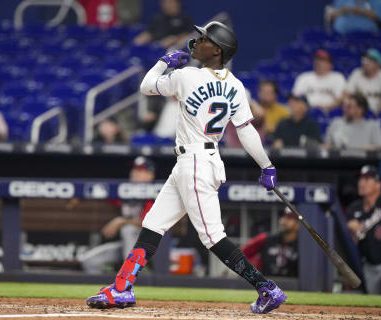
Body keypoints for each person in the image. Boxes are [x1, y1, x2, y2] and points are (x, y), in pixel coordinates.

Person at [86, 21, 286, 314]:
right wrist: (266, 165)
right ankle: (122, 288)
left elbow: (146, 85)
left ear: (217, 50)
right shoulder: (235, 85)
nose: (197, 40)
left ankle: (266, 287)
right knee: (153, 223)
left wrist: (163, 61)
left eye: (204, 38)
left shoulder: (187, 76)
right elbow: (246, 132)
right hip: (197, 161)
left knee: (212, 236)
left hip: (195, 163)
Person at [79, 156, 155, 274]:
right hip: (128, 246)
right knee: (90, 261)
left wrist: (121, 221)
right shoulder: (124, 192)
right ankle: (112, 288)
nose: (135, 173)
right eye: (134, 169)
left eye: (140, 170)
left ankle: (134, 275)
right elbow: (101, 192)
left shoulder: (155, 194)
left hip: (152, 247)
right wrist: (77, 196)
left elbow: (147, 224)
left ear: (150, 175)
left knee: (128, 229)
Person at [346, 165, 381, 294]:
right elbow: (353, 234)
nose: (361, 183)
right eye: (360, 179)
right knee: (374, 300)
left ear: (378, 184)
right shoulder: (354, 208)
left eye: (367, 179)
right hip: (368, 263)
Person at [242, 207, 299, 277]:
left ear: (298, 224)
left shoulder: (303, 245)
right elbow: (241, 254)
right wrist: (253, 270)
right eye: (283, 217)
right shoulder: (266, 238)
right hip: (267, 283)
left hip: (293, 285)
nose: (283, 221)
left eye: (289, 218)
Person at [345, 48, 381, 114]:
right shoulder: (356, 73)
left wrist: (377, 113)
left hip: (378, 112)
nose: (365, 63)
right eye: (364, 60)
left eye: (369, 60)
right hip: (358, 113)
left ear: (378, 64)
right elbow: (347, 95)